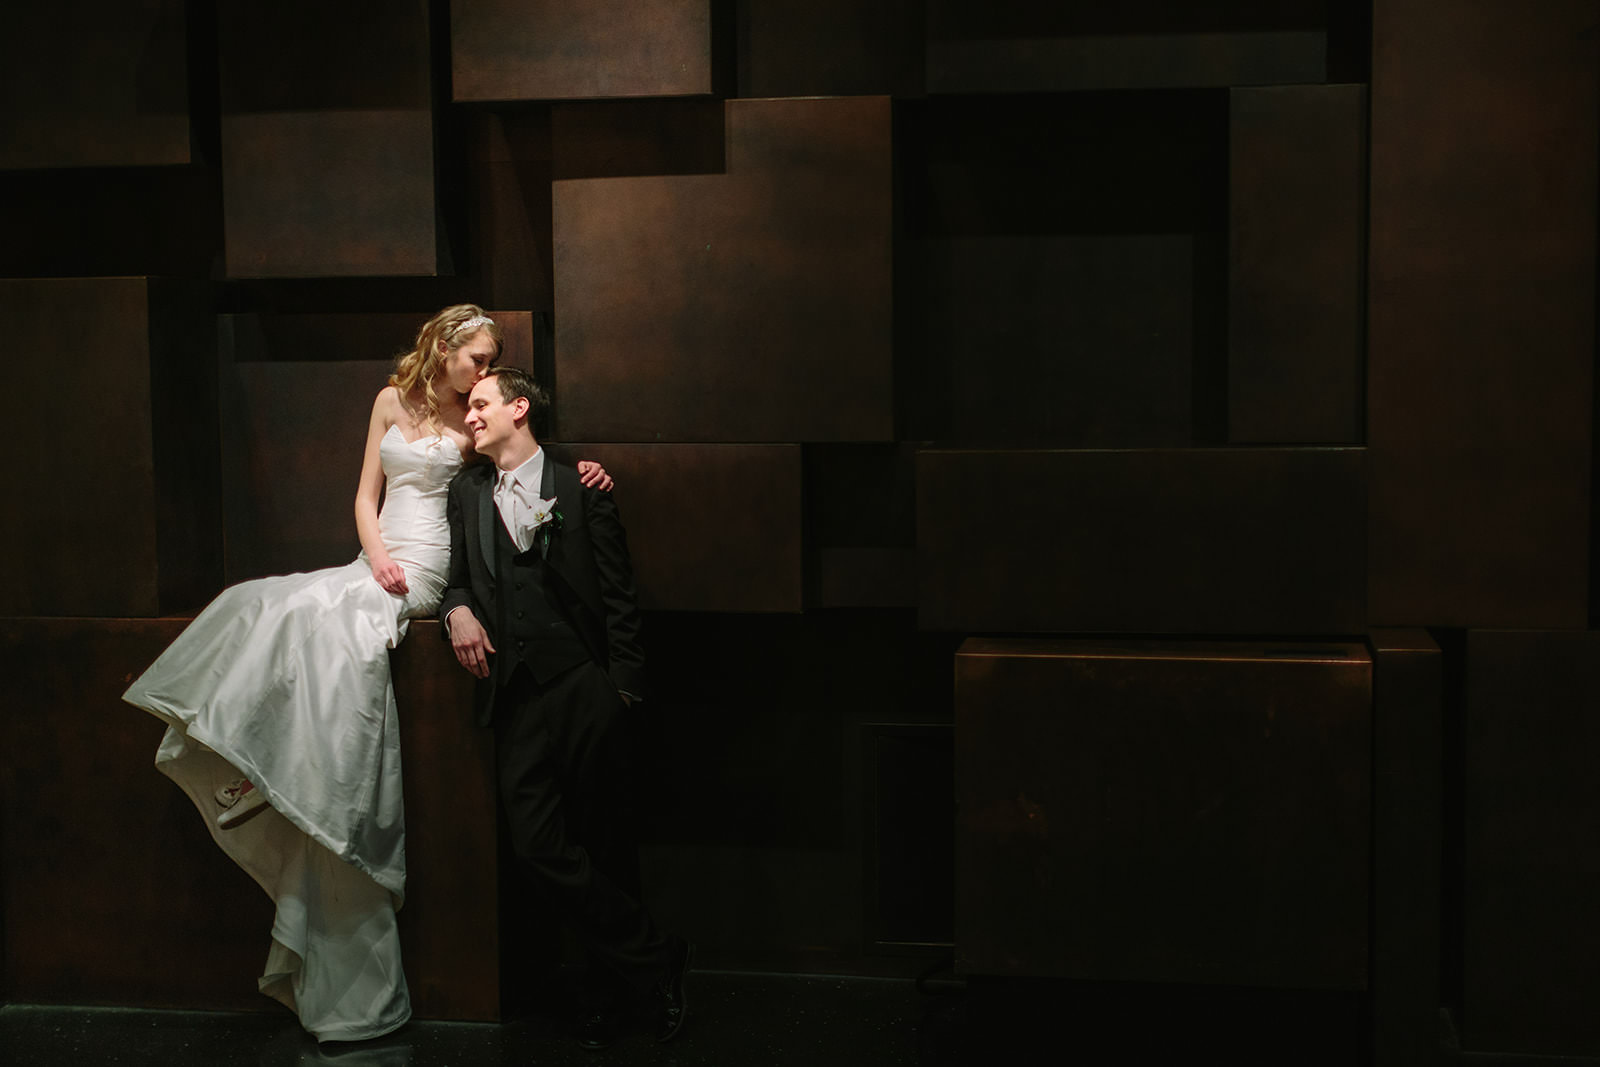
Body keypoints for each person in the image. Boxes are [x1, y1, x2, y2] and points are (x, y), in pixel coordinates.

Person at [121, 306, 612, 1042]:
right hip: (379, 556)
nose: (485, 371)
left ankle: (270, 772)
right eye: (477, 357)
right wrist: (374, 552)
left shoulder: (476, 417)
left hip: (430, 565)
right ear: (443, 349)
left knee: (341, 629)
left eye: (491, 363)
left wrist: (585, 470)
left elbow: (527, 455)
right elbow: (363, 495)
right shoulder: (390, 399)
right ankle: (253, 757)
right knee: (270, 604)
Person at [440, 366, 690, 1049]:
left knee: (606, 845)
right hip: (516, 693)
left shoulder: (581, 484)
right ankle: (652, 954)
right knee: (538, 846)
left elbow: (618, 593)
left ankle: (626, 992)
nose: (470, 415)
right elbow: (458, 576)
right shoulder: (466, 490)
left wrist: (625, 688)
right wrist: (456, 608)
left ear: (520, 408)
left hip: (585, 686)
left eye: (482, 403)